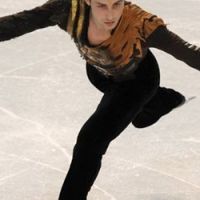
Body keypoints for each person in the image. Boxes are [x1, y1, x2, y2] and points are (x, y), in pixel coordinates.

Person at [0, 0, 199, 199]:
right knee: (135, 114)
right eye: (102, 5)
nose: (110, 15)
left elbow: (189, 53)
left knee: (90, 141)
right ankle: (161, 100)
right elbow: (20, 22)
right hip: (99, 74)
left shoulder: (140, 22)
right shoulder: (68, 10)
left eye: (117, 4)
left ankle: (157, 99)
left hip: (138, 81)